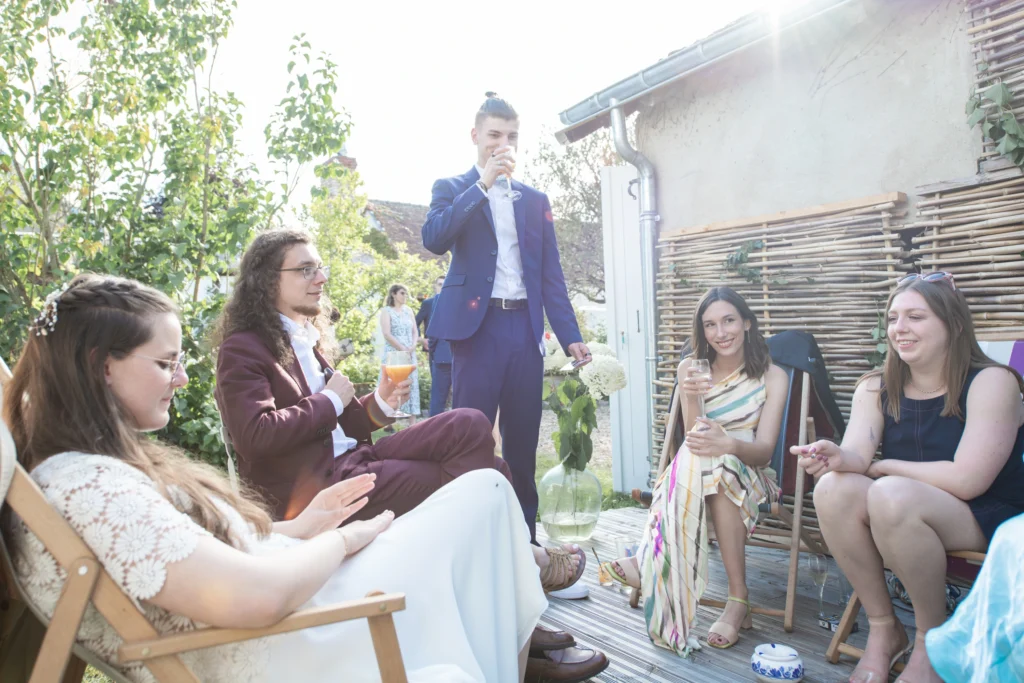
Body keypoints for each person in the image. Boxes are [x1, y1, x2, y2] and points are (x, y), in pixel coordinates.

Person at [2, 273, 609, 683]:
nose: (183, 379)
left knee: (481, 478)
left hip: (299, 578)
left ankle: (521, 609)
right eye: (165, 363)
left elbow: (203, 559)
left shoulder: (91, 475)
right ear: (99, 367)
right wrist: (339, 540)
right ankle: (523, 617)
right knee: (486, 496)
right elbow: (253, 595)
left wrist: (296, 529)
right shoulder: (88, 487)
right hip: (303, 633)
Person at [792, 271, 1024, 683]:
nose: (900, 329)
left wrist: (884, 469)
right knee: (832, 489)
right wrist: (834, 455)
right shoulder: (875, 387)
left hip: (986, 515)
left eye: (916, 317)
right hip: (903, 512)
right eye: (894, 318)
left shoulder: (992, 382)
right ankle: (885, 628)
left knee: (890, 494)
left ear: (952, 324)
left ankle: (933, 642)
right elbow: (858, 457)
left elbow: (969, 480)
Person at [422, 92, 590, 542]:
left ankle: (524, 542)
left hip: (525, 330)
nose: (502, 144)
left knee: (522, 442)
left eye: (511, 137)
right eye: (494, 135)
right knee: (472, 437)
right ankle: (470, 538)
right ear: (475, 135)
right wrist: (481, 187)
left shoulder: (535, 200)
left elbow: (550, 275)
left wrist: (570, 334)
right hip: (477, 331)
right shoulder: (452, 188)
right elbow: (435, 238)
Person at [601, 287, 789, 654]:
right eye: (710, 325)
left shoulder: (772, 376)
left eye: (729, 320)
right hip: (702, 468)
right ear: (701, 331)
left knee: (718, 468)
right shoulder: (692, 368)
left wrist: (730, 445)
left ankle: (650, 559)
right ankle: (739, 600)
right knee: (705, 463)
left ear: (747, 323)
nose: (721, 332)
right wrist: (691, 397)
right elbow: (694, 436)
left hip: (750, 470)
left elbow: (765, 452)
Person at [378, 283, 421, 424]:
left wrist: (413, 346)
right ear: (393, 294)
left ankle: (412, 422)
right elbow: (387, 334)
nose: (405, 296)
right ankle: (389, 420)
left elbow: (415, 331)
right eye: (402, 293)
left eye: (406, 294)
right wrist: (402, 348)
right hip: (393, 354)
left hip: (409, 354)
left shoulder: (409, 310)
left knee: (411, 384)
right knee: (392, 384)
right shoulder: (386, 311)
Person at [415, 276, 453, 417]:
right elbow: (416, 322)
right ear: (435, 286)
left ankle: (436, 432)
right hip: (443, 353)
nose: (441, 287)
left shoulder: (439, 301)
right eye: (439, 284)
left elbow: (434, 330)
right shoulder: (429, 302)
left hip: (442, 353)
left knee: (439, 398)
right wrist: (421, 340)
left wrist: (432, 344)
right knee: (444, 398)